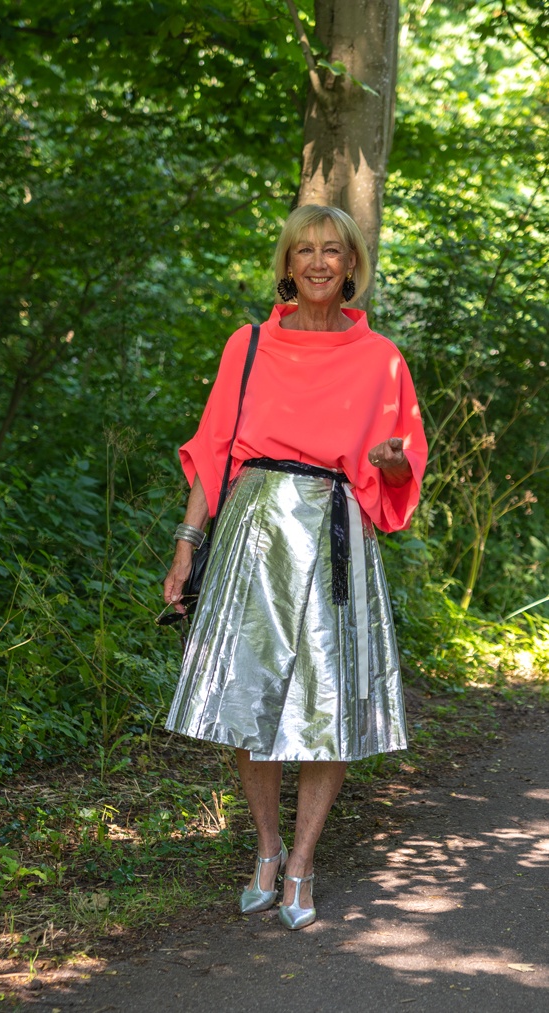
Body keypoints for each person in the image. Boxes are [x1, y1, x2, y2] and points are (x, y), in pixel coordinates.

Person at [162, 204, 428, 930]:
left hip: (334, 529)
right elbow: (213, 451)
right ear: (286, 263)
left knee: (328, 705)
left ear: (350, 266)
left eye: (333, 250)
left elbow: (404, 461)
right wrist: (187, 543)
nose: (317, 261)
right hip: (253, 527)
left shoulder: (382, 358)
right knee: (251, 698)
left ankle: (303, 861)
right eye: (304, 249)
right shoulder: (246, 344)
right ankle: (266, 845)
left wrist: (392, 462)